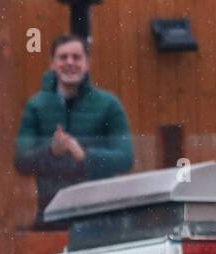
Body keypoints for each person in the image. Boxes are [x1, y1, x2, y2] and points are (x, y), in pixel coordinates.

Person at [15, 34, 134, 225]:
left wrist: (85, 156)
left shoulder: (109, 104)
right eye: (63, 57)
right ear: (52, 64)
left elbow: (126, 158)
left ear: (87, 63)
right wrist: (51, 151)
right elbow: (21, 161)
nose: (70, 62)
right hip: (52, 215)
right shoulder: (36, 106)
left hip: (100, 216)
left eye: (76, 57)